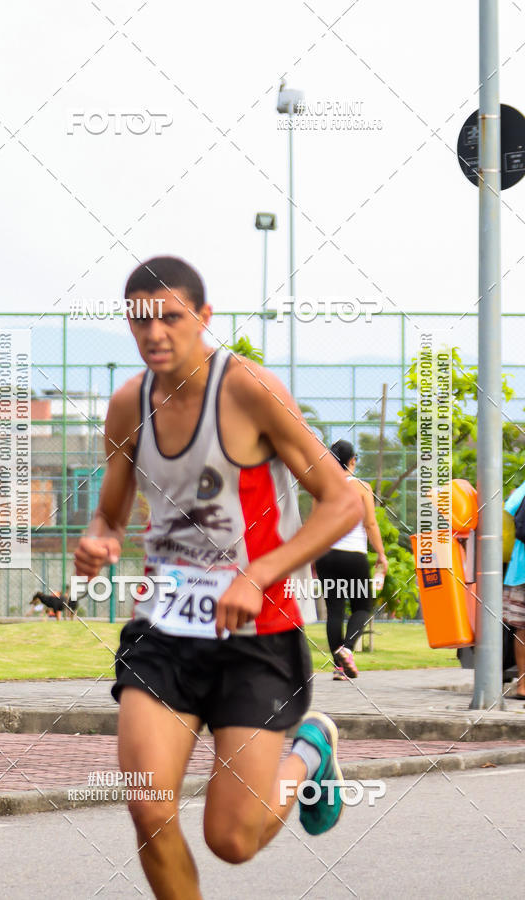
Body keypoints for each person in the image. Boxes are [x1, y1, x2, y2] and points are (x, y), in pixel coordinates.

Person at [74, 256, 362, 899]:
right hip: (167, 630)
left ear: (204, 318)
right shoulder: (127, 407)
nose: (155, 333)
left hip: (260, 634)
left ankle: (310, 748)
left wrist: (258, 574)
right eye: (140, 319)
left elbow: (342, 500)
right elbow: (111, 512)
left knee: (231, 840)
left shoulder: (248, 390)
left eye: (172, 317)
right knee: (149, 809)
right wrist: (100, 538)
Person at [315, 439, 388, 680]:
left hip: (326, 555)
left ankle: (339, 668)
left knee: (334, 611)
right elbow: (369, 523)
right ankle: (347, 649)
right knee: (362, 607)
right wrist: (381, 553)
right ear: (352, 461)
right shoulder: (362, 488)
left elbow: (314, 524)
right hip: (353, 556)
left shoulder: (321, 487)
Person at [503, 480, 525, 700]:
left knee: (522, 627)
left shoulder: (523, 488)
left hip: (521, 567)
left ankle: (523, 684)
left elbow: (509, 509)